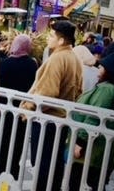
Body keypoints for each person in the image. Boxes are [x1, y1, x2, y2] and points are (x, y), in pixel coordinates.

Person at [20, 20, 83, 191]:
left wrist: (27, 109)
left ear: (61, 40)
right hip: (61, 118)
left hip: (48, 119)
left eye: (51, 35)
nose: (48, 37)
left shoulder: (58, 58)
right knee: (53, 164)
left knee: (42, 163)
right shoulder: (74, 58)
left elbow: (47, 92)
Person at [69, 53, 114, 190]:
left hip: (94, 150)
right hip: (107, 150)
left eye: (102, 68)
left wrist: (80, 142)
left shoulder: (107, 90)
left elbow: (94, 116)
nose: (99, 70)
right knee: (97, 184)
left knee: (80, 182)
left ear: (110, 72)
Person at [0, 34, 38, 179]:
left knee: (1, 140)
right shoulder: (32, 64)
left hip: (5, 110)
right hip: (22, 111)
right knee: (18, 140)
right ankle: (13, 170)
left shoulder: (5, 63)